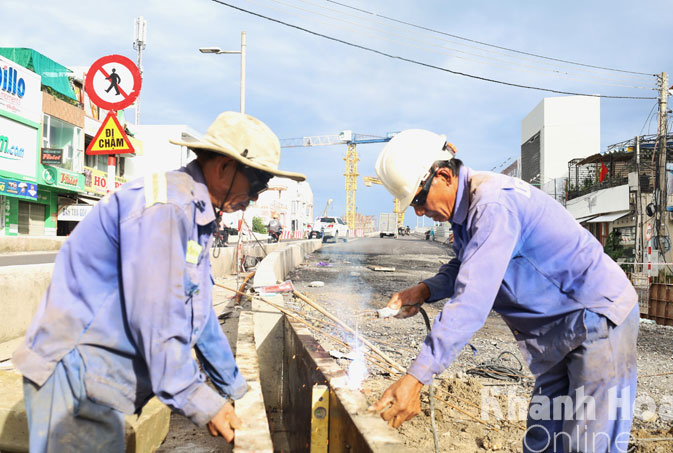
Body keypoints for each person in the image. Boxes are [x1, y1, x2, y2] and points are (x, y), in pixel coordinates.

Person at [12, 112, 306, 451]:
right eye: (257, 183)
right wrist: (201, 401)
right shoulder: (166, 208)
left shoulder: (196, 212)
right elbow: (156, 318)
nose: (255, 197)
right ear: (224, 168)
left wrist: (238, 389)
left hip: (98, 380)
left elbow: (200, 316)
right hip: (72, 379)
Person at [369, 129, 638, 453]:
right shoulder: (467, 212)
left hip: (595, 318)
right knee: (544, 441)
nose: (419, 212)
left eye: (418, 199)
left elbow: (471, 302)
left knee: (589, 445)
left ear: (442, 176)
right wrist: (425, 290)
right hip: (559, 330)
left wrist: (416, 378)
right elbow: (468, 265)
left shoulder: (492, 204)